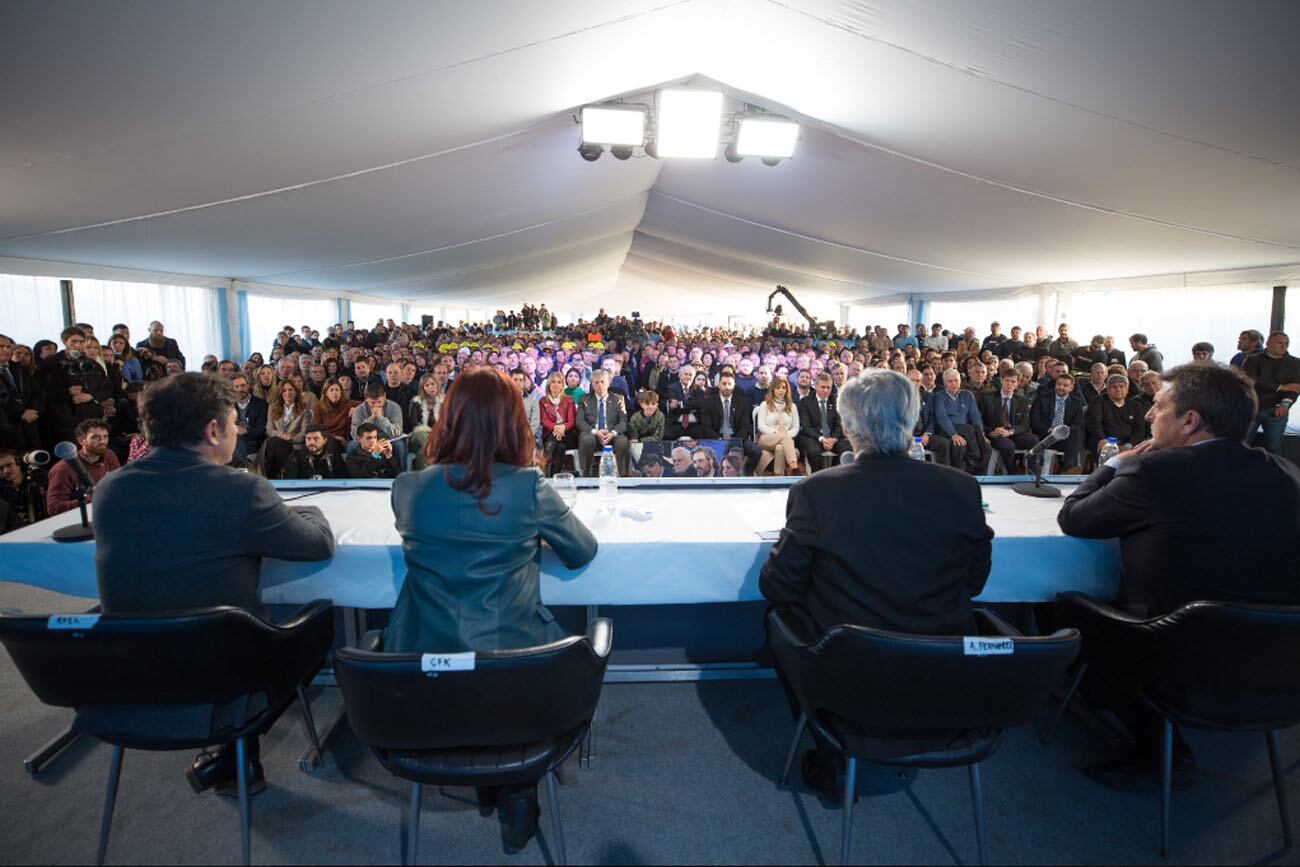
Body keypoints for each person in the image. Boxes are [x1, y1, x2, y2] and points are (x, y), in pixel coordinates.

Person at [1058, 364, 1300, 790]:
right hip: (1277, 667)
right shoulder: (1286, 474)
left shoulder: (1154, 472)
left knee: (1063, 606)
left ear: (1190, 421)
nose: (1150, 416)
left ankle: (1148, 741)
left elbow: (1074, 517)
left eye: (1158, 406)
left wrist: (1115, 463)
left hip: (1177, 659)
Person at [386, 367, 597, 853]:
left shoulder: (409, 489)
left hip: (423, 682)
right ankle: (515, 789)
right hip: (519, 681)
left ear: (449, 420)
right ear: (512, 422)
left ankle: (492, 781)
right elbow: (582, 552)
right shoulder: (528, 488)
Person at [93, 372, 334, 796]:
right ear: (212, 430)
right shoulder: (240, 489)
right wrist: (311, 509)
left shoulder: (110, 491)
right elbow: (315, 545)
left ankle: (232, 755)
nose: (238, 431)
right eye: (234, 423)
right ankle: (236, 741)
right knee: (323, 618)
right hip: (223, 672)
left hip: (134, 673)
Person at [760, 369, 993, 798]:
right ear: (912, 420)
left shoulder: (817, 491)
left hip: (851, 676)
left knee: (775, 620)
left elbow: (779, 588)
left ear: (848, 427)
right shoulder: (962, 487)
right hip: (945, 679)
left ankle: (831, 751)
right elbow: (975, 583)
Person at [45, 418, 120, 516]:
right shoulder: (62, 469)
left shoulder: (109, 455)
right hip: (80, 518)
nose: (102, 441)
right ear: (81, 441)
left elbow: (119, 484)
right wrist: (92, 500)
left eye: (105, 436)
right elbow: (54, 507)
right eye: (95, 437)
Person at [1242, 331, 1300, 456]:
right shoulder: (1252, 360)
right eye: (1279, 343)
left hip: (1277, 409)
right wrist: (1281, 387)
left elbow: (1295, 388)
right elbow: (1250, 381)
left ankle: (1274, 474)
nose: (1284, 346)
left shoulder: (1296, 363)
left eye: (1286, 343)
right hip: (1252, 407)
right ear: (1268, 343)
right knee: (1242, 444)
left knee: (1274, 447)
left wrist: (1285, 403)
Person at [699, 370, 761, 471]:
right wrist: (718, 439)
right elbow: (706, 426)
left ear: (734, 386)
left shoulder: (742, 402)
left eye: (729, 384)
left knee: (756, 452)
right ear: (719, 385)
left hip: (736, 437)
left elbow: (745, 425)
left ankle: (744, 473)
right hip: (715, 437)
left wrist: (736, 441)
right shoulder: (709, 402)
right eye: (724, 384)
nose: (727, 387)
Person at [977, 369, 1037, 471]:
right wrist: (990, 432)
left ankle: (1033, 473)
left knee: (1033, 439)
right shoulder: (987, 398)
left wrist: (1010, 432)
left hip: (1012, 433)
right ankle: (1012, 473)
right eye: (1007, 380)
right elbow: (979, 420)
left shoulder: (1022, 401)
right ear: (1001, 380)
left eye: (1013, 381)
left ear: (1018, 384)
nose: (1009, 384)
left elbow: (1024, 425)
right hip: (995, 434)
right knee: (1008, 445)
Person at [575, 369, 630, 476]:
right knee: (586, 439)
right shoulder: (584, 399)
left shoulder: (618, 399)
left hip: (612, 434)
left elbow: (623, 421)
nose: (600, 385)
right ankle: (586, 475)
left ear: (609, 383)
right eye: (596, 382)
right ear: (592, 384)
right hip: (592, 434)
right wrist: (595, 432)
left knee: (623, 442)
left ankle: (622, 476)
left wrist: (613, 433)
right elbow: (580, 421)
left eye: (602, 382)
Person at [930, 368, 985, 471]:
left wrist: (981, 433)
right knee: (969, 430)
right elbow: (942, 417)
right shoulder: (939, 396)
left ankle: (972, 474)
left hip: (966, 433)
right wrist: (954, 434)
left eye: (956, 380)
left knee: (963, 445)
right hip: (946, 430)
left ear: (960, 381)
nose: (953, 384)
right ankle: (974, 457)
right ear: (944, 383)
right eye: (950, 381)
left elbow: (975, 415)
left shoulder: (967, 395)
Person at [1029, 372, 1085, 471]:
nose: (1061, 387)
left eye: (1065, 385)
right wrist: (1050, 429)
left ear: (1071, 388)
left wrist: (1066, 429)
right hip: (1046, 437)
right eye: (1058, 384)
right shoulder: (1042, 398)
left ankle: (1069, 469)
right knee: (1074, 437)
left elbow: (1078, 424)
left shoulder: (1077, 403)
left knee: (1076, 433)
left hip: (1065, 438)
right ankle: (1069, 470)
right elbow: (1034, 422)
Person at [0, 332, 46, 451]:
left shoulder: (19, 369)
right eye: (1, 346)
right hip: (5, 429)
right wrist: (21, 413)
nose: (5, 350)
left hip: (29, 428)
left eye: (8, 347)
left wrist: (33, 409)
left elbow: (38, 392)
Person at [1084, 374, 1147, 458]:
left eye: (1121, 386)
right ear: (1108, 390)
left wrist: (1128, 445)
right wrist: (1102, 439)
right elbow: (1093, 423)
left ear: (1127, 389)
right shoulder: (1098, 402)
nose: (1118, 390)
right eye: (1114, 387)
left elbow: (1139, 429)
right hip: (1102, 440)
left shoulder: (1135, 405)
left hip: (1128, 442)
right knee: (1109, 454)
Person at [796, 372, 850, 470]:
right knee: (814, 451)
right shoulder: (806, 402)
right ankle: (818, 477)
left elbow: (839, 425)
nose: (825, 390)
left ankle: (835, 475)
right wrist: (822, 439)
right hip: (813, 436)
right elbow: (806, 427)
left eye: (828, 387)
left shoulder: (835, 401)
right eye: (823, 387)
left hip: (833, 437)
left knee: (845, 449)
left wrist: (833, 439)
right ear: (816, 386)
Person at [262, 379, 312, 479]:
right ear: (280, 393)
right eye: (284, 390)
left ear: (296, 392)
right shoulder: (272, 408)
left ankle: (270, 478)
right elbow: (269, 429)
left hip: (293, 444)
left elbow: (304, 433)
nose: (287, 393)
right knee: (275, 442)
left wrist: (291, 437)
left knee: (276, 446)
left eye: (291, 390)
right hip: (275, 443)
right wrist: (281, 435)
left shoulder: (305, 410)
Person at [754, 377, 801, 476]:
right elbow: (761, 426)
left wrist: (787, 434)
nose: (781, 390)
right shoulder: (765, 405)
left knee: (780, 447)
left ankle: (778, 476)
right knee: (784, 438)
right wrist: (776, 432)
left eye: (783, 388)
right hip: (766, 438)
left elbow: (796, 427)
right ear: (773, 389)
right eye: (778, 387)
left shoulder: (792, 406)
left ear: (787, 390)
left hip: (785, 440)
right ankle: (794, 466)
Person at [229, 373, 268, 462]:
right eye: (236, 387)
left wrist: (245, 430)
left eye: (243, 385)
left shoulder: (261, 404)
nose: (240, 389)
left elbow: (262, 429)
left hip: (254, 441)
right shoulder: (227, 405)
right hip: (234, 441)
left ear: (248, 386)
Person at [511, 368, 542, 443]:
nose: (518, 382)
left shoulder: (533, 401)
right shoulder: (503, 400)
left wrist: (526, 436)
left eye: (521, 380)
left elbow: (535, 422)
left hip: (526, 437)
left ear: (524, 382)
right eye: (515, 379)